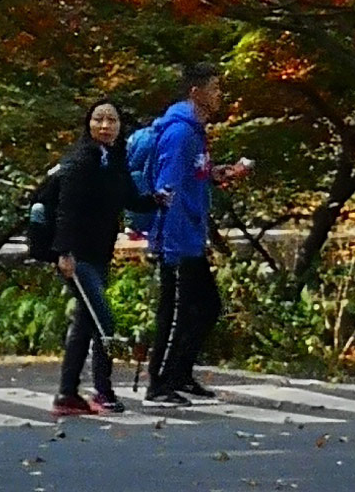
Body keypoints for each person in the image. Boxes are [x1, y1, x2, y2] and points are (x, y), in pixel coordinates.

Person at [128, 65, 250, 402]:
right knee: (177, 309)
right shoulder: (180, 133)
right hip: (175, 238)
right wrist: (166, 237)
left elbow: (193, 173)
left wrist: (217, 173)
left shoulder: (196, 132)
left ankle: (179, 374)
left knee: (207, 307)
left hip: (191, 235)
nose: (219, 95)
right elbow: (167, 185)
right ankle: (159, 383)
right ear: (196, 92)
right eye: (214, 88)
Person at [41, 99, 147, 417]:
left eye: (111, 120)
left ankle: (68, 393)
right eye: (98, 119)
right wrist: (63, 253)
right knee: (105, 321)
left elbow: (129, 198)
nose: (105, 126)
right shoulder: (80, 161)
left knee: (86, 323)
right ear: (88, 124)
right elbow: (67, 211)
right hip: (77, 256)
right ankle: (103, 390)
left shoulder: (114, 160)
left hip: (99, 253)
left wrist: (158, 200)